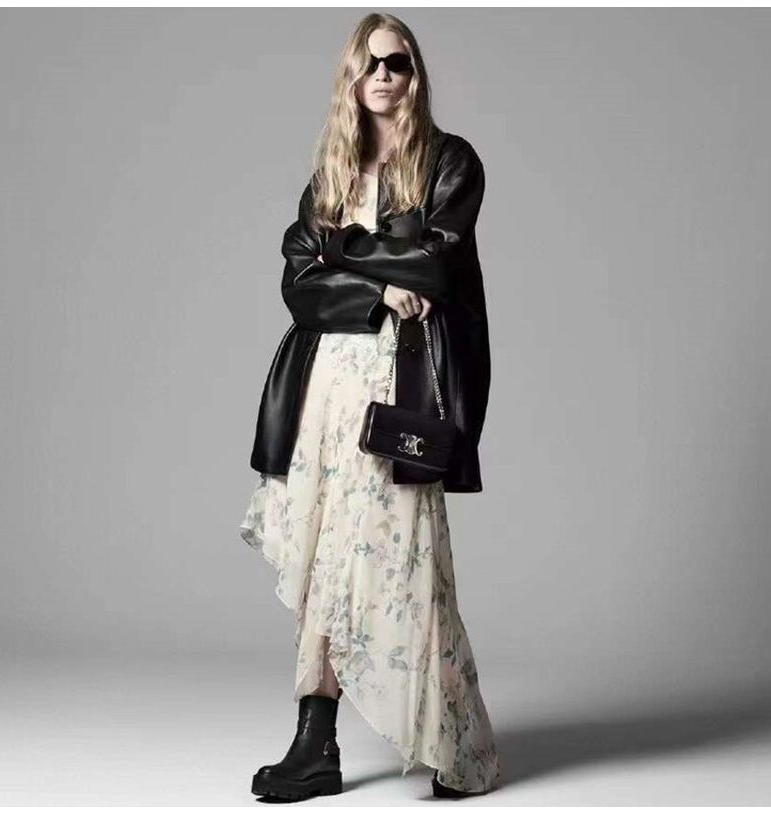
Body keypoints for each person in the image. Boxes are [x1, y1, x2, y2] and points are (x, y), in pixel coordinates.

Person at [238, 12, 499, 802]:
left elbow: (434, 264)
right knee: (328, 559)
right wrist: (377, 288)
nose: (385, 75)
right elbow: (298, 285)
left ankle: (456, 744)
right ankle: (315, 741)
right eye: (371, 63)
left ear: (415, 75)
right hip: (325, 389)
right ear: (352, 77)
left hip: (401, 384)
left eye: (399, 62)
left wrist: (343, 251)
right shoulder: (331, 173)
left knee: (405, 564)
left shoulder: (450, 163)